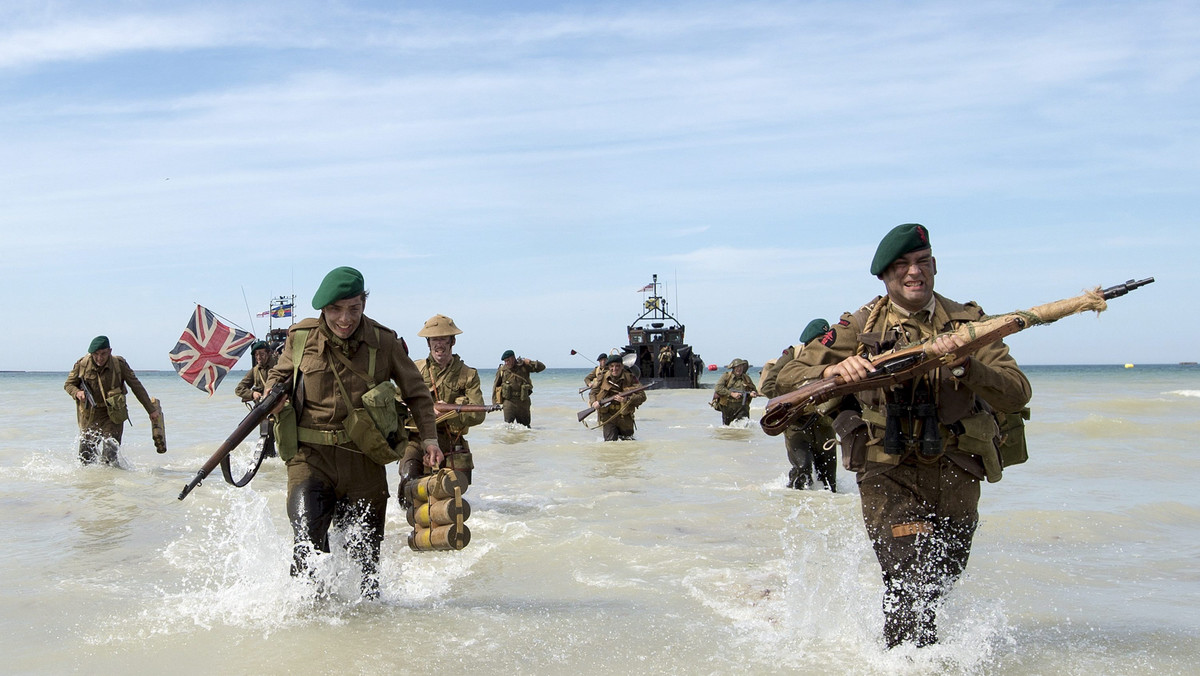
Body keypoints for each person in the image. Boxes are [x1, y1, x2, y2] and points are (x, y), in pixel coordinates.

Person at [776, 223, 1031, 648]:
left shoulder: (972, 324)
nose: (914, 273)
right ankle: (904, 662)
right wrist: (833, 370)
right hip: (888, 472)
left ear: (934, 266)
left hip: (957, 472)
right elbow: (785, 377)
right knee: (910, 576)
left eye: (922, 263)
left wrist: (968, 366)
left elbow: (1017, 389)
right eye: (902, 266)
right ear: (884, 277)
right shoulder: (859, 326)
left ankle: (911, 654)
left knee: (939, 583)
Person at [264, 266, 439, 598]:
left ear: (364, 304)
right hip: (310, 460)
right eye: (335, 310)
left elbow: (417, 392)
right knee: (307, 546)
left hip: (364, 462)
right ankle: (309, 632)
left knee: (366, 566)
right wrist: (271, 397)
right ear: (323, 309)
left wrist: (429, 438)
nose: (344, 319)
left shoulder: (384, 342)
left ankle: (365, 637)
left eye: (354, 309)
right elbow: (277, 378)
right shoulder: (300, 339)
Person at [759, 320, 837, 491]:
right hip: (796, 421)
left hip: (824, 422)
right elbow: (768, 385)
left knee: (829, 482)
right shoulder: (793, 355)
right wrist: (792, 401)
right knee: (802, 472)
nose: (824, 344)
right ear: (809, 341)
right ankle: (792, 507)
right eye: (820, 340)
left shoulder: (834, 355)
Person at [410, 314, 486, 485]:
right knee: (408, 479)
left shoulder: (468, 375)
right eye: (434, 339)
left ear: (452, 341)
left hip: (452, 441)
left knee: (454, 497)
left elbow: (478, 414)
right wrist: (424, 410)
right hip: (418, 440)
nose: (439, 344)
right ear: (428, 342)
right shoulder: (415, 369)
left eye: (443, 339)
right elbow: (397, 402)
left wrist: (450, 411)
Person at [64, 336, 160, 465]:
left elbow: (136, 386)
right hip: (90, 415)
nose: (99, 358)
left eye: (103, 354)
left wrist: (151, 410)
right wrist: (77, 392)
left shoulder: (119, 365)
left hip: (113, 415)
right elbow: (68, 384)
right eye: (96, 354)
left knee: (110, 456)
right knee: (85, 458)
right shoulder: (82, 365)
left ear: (110, 351)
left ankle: (110, 483)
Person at [589, 354, 647, 441]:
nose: (614, 369)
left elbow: (642, 396)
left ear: (622, 366)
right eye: (612, 366)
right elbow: (593, 392)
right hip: (608, 417)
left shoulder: (630, 377)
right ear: (608, 367)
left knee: (628, 444)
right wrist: (594, 402)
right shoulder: (602, 377)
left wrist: (626, 399)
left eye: (617, 366)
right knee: (610, 444)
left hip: (625, 417)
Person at [491, 350, 545, 426]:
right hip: (509, 402)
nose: (506, 363)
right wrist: (494, 403)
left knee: (525, 428)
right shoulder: (502, 370)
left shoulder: (524, 366)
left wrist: (530, 362)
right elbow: (496, 386)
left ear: (513, 358)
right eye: (505, 361)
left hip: (523, 402)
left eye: (508, 360)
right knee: (508, 427)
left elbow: (542, 367)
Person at [711, 358, 759, 425]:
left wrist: (752, 393)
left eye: (741, 367)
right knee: (728, 430)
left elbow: (753, 389)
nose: (739, 369)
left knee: (743, 429)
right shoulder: (726, 376)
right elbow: (718, 388)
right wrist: (731, 393)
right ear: (733, 368)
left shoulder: (746, 378)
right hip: (727, 408)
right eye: (737, 367)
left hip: (742, 408)